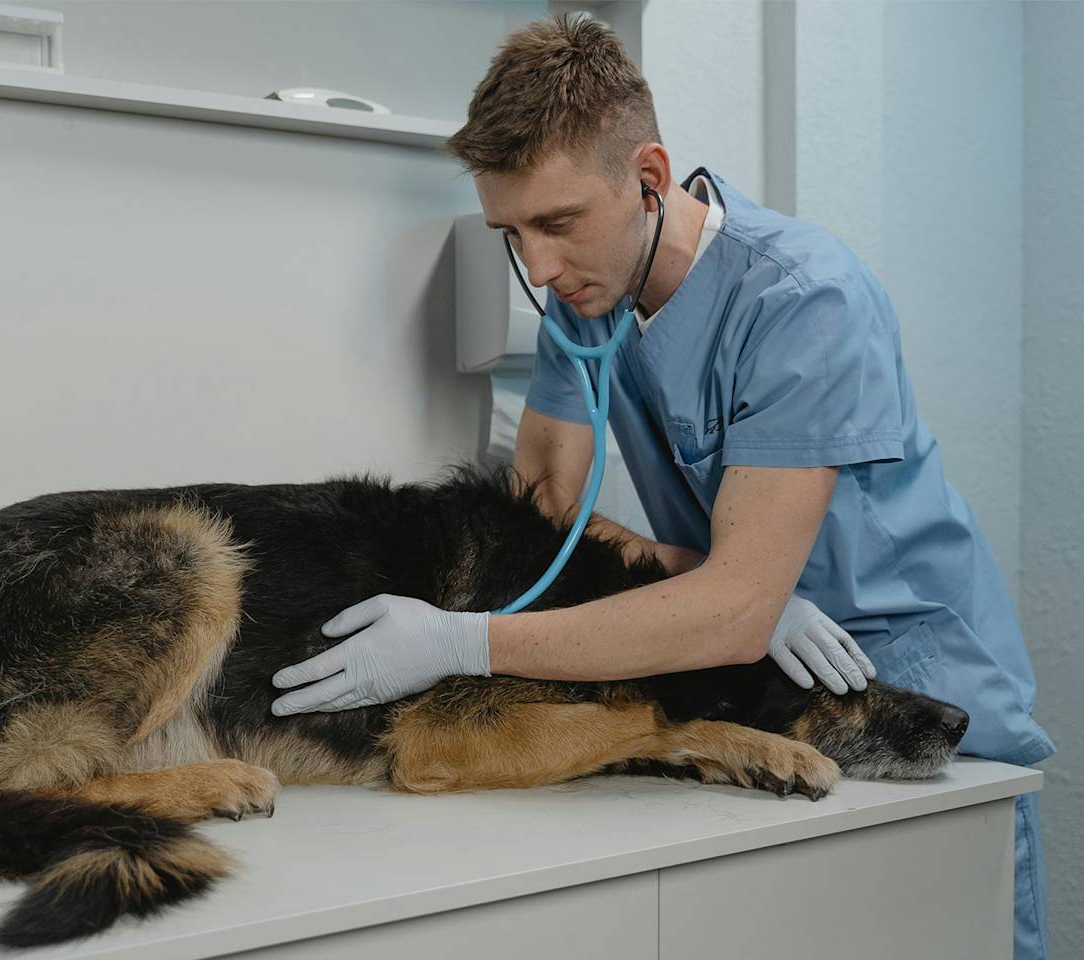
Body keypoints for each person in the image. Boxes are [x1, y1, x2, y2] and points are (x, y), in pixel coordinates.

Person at [269, 15, 1053, 958]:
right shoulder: (588, 301)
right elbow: (547, 516)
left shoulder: (803, 301)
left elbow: (729, 615)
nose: (540, 267)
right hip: (748, 677)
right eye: (511, 232)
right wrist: (702, 569)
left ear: (648, 177)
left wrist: (458, 641)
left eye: (558, 223)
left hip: (904, 690)